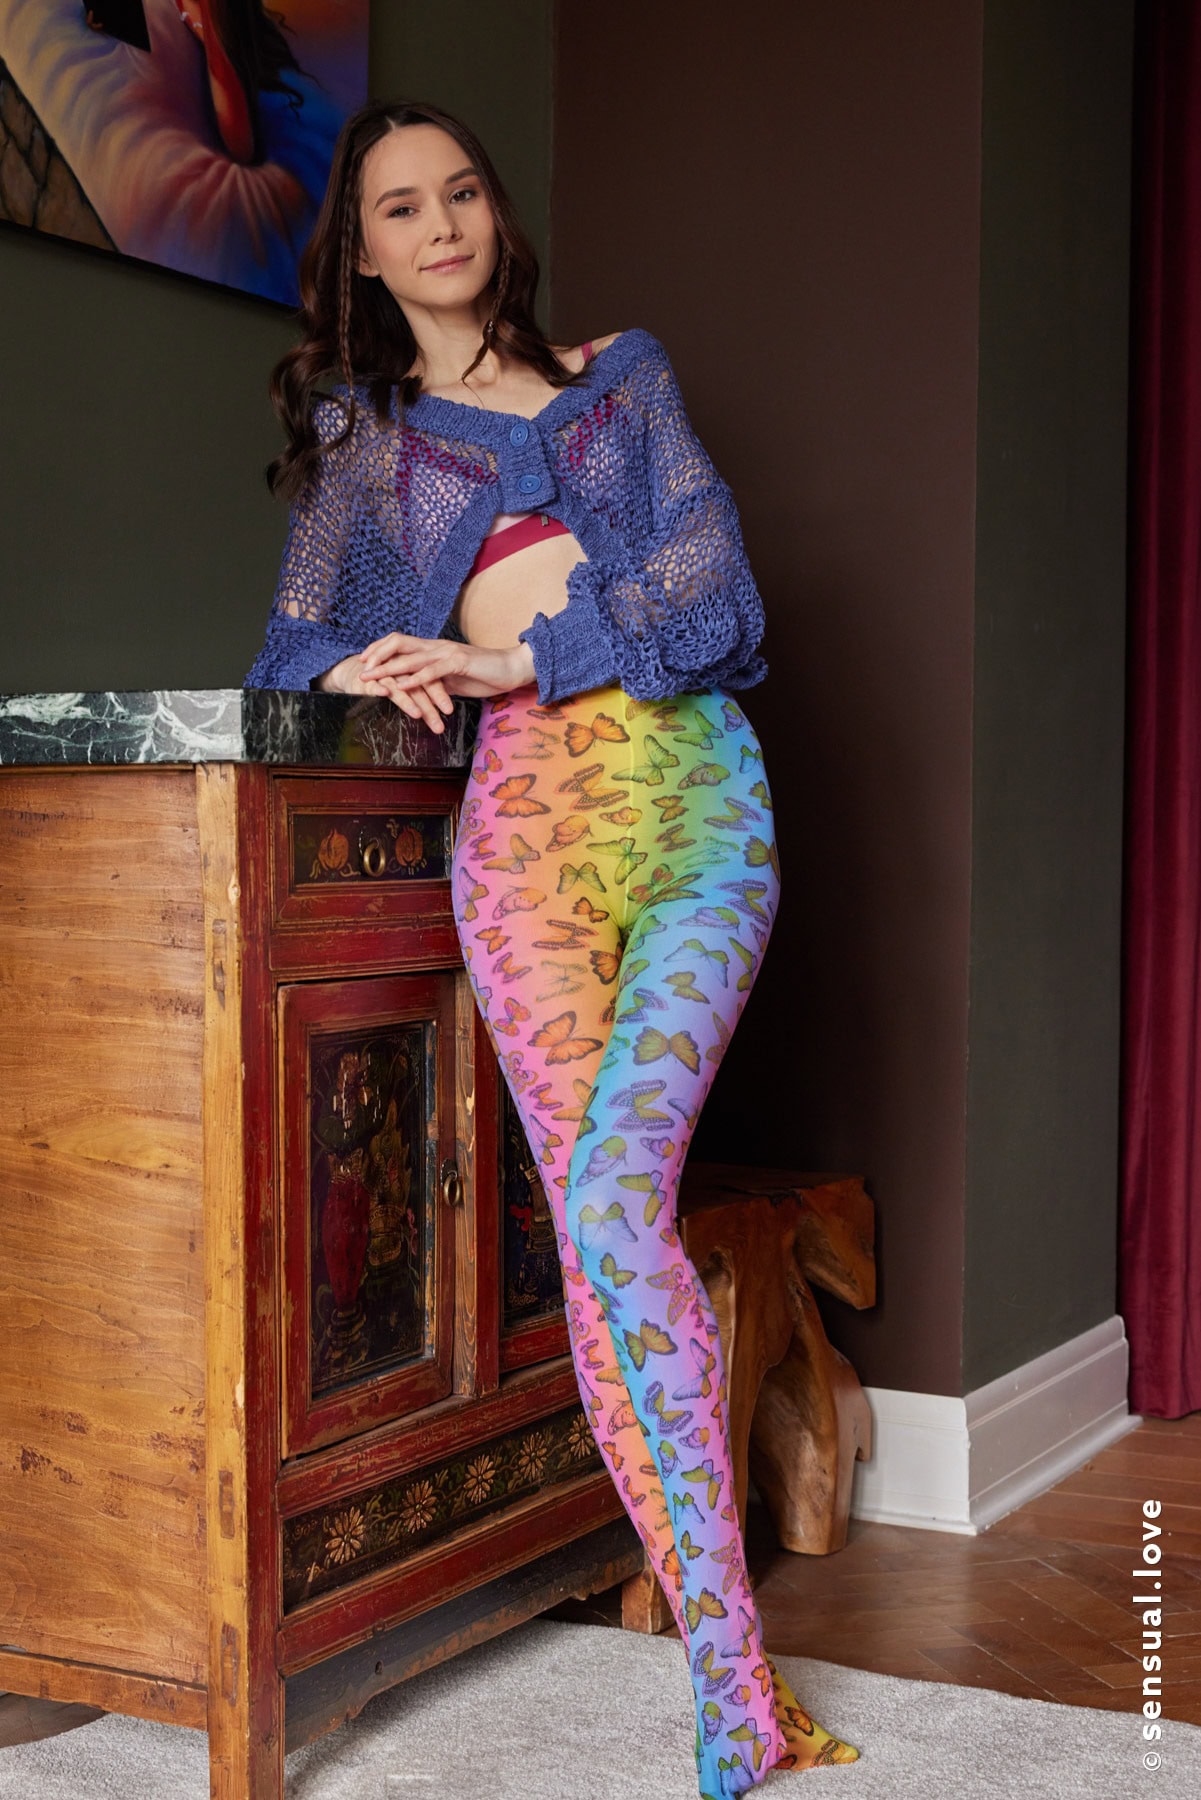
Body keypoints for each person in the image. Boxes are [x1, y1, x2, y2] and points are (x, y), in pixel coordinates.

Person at [245, 96, 860, 1800]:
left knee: (608, 1202)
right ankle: (736, 1693)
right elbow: (286, 650)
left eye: (459, 193)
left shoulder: (618, 379)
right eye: (399, 207)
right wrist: (367, 660)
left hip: (696, 806)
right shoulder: (372, 445)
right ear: (364, 253)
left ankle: (731, 1681)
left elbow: (716, 602)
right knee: (606, 1241)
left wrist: (520, 655)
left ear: (495, 216)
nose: (438, 224)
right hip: (521, 843)